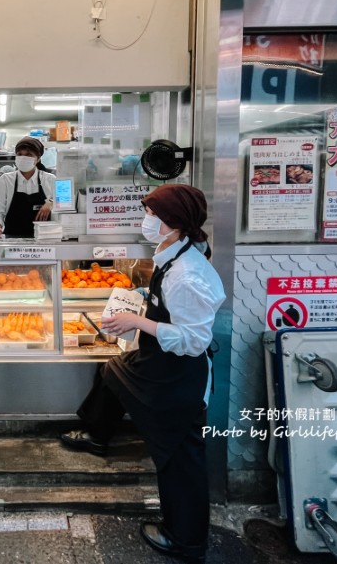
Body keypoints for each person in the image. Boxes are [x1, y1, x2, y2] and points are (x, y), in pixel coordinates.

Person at [59, 184, 225, 564]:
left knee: (180, 457)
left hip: (178, 375)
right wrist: (137, 303)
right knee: (113, 370)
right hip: (158, 364)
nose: (147, 220)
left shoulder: (188, 274)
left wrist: (137, 321)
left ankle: (186, 541)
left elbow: (193, 340)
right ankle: (96, 434)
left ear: (174, 223)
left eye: (153, 214)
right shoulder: (176, 252)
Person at [0, 137, 56, 238]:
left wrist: (52, 202)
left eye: (29, 155)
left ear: (38, 159)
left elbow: (66, 203)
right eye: (20, 154)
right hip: (12, 240)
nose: (23, 158)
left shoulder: (50, 179)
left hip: (45, 240)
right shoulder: (6, 179)